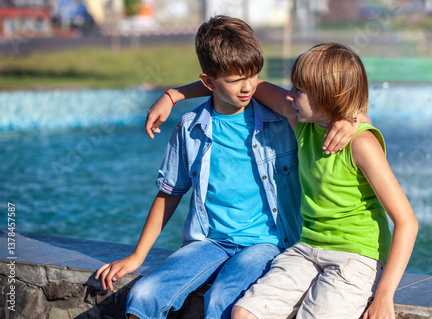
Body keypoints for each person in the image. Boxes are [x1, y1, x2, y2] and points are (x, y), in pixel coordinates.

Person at [95, 17, 359, 319]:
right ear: (208, 82)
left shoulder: (283, 118)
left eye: (253, 75)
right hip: (210, 242)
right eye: (235, 80)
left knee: (221, 299)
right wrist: (138, 256)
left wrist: (351, 120)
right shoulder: (189, 129)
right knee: (143, 295)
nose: (248, 87)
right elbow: (169, 193)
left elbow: (333, 107)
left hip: (266, 243)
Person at [228, 43, 419, 319]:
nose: (289, 97)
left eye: (298, 90)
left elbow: (407, 222)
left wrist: (384, 295)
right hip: (307, 250)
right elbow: (252, 85)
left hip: (357, 256)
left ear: (327, 97)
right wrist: (175, 96)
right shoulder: (302, 122)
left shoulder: (361, 143)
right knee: (244, 313)